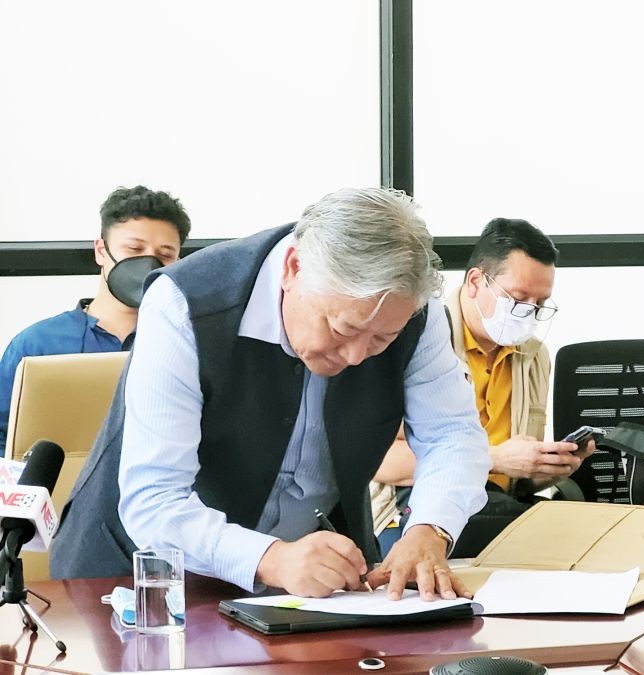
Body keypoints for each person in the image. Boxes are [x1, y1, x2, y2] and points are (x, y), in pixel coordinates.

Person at [51, 187, 492, 601]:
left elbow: (452, 434)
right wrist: (272, 557)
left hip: (312, 587)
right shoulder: (185, 302)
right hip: (139, 579)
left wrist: (430, 529)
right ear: (293, 269)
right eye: (343, 329)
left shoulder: (416, 314)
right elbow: (156, 498)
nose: (358, 356)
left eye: (381, 341)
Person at [372, 218, 594, 557]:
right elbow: (381, 461)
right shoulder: (420, 340)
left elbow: (514, 482)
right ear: (476, 281)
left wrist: (545, 468)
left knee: (585, 539)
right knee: (544, 546)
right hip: (414, 506)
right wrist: (494, 458)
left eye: (539, 304)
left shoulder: (533, 356)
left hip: (501, 505)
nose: (529, 313)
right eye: (518, 299)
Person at [0, 185, 190, 449]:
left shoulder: (189, 343)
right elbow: (3, 440)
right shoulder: (37, 344)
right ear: (101, 251)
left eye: (165, 255)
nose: (148, 264)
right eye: (134, 249)